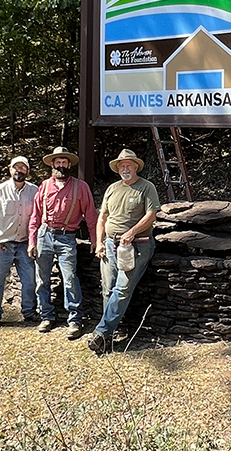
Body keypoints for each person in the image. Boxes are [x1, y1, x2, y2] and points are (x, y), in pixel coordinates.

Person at [87, 149, 161, 355]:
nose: (125, 169)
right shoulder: (112, 188)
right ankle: (106, 337)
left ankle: (101, 332)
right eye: (122, 166)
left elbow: (151, 215)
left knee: (122, 289)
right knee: (107, 289)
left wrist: (131, 232)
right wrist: (99, 242)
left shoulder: (146, 187)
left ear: (136, 167)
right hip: (110, 245)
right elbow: (102, 217)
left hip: (136, 245)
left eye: (129, 165)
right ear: (117, 168)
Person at [28, 146, 97, 340]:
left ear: (69, 165)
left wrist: (94, 239)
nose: (61, 165)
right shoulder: (44, 186)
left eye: (64, 162)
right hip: (44, 235)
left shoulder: (80, 187)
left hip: (67, 237)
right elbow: (35, 216)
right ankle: (47, 316)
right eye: (57, 162)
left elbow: (91, 214)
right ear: (52, 165)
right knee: (42, 279)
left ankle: (75, 320)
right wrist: (32, 241)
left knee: (70, 278)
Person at [0, 156, 38, 330]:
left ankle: (29, 312)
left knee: (30, 280)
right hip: (1, 245)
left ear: (28, 171)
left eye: (23, 167)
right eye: (15, 167)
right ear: (9, 169)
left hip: (24, 244)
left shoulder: (34, 191)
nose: (19, 170)